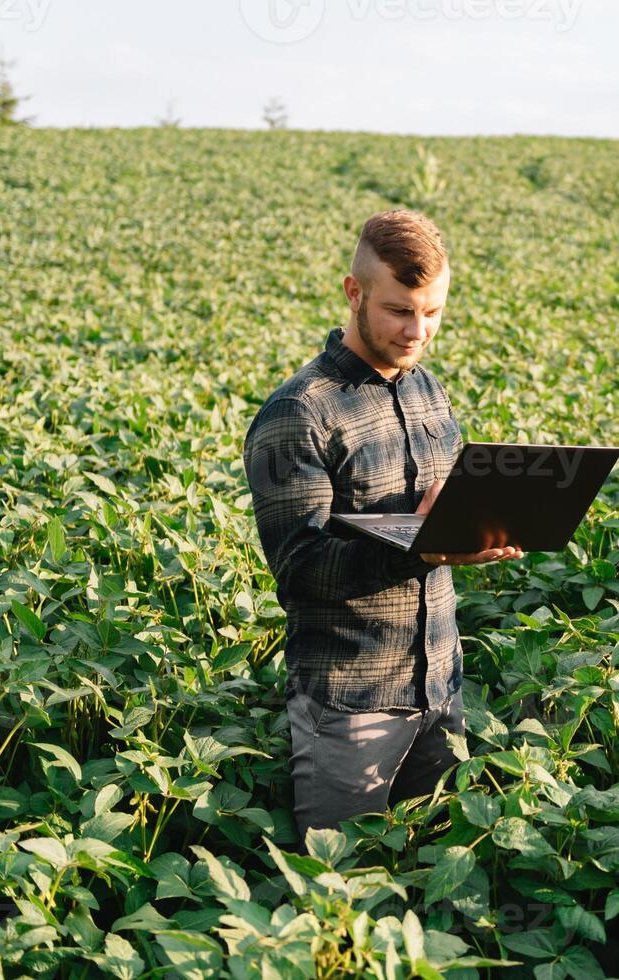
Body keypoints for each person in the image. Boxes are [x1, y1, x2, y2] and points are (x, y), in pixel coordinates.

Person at [242, 209, 523, 842]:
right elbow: (301, 571)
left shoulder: (427, 390)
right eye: (399, 310)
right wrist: (423, 550)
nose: (417, 331)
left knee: (432, 872)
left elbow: (436, 517)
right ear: (354, 292)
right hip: (351, 703)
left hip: (440, 687)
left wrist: (474, 527)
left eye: (433, 313)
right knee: (341, 889)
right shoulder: (299, 413)